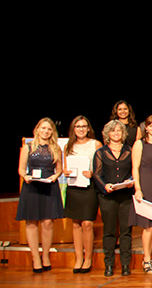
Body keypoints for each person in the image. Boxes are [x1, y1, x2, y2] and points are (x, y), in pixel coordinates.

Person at [17, 118, 64, 273]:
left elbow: (59, 169)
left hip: (48, 186)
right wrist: (25, 177)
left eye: (49, 129)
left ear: (52, 132)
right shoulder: (28, 147)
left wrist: (55, 177)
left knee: (48, 223)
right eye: (43, 128)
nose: (46, 131)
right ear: (37, 129)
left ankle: (45, 256)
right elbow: (21, 169)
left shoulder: (56, 148)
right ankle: (35, 257)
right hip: (32, 187)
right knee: (31, 222)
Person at [93, 120, 135, 277]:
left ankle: (125, 265)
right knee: (109, 231)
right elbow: (97, 174)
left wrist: (130, 181)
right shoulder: (101, 152)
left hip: (125, 197)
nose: (116, 133)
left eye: (119, 130)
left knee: (126, 231)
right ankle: (109, 264)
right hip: (108, 197)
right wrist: (105, 185)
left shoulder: (129, 151)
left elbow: (134, 170)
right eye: (113, 131)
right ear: (107, 134)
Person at [63, 116, 102, 274]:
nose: (81, 129)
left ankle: (88, 258)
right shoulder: (68, 146)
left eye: (84, 126)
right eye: (78, 126)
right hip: (74, 187)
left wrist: (92, 172)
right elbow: (65, 167)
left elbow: (101, 168)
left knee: (87, 223)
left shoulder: (95, 144)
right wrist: (66, 172)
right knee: (76, 224)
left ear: (88, 128)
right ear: (74, 129)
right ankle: (78, 258)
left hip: (89, 187)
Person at [130, 115, 152, 274]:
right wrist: (138, 188)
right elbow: (134, 168)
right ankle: (146, 259)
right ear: (146, 128)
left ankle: (149, 259)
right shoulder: (140, 144)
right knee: (147, 226)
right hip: (145, 185)